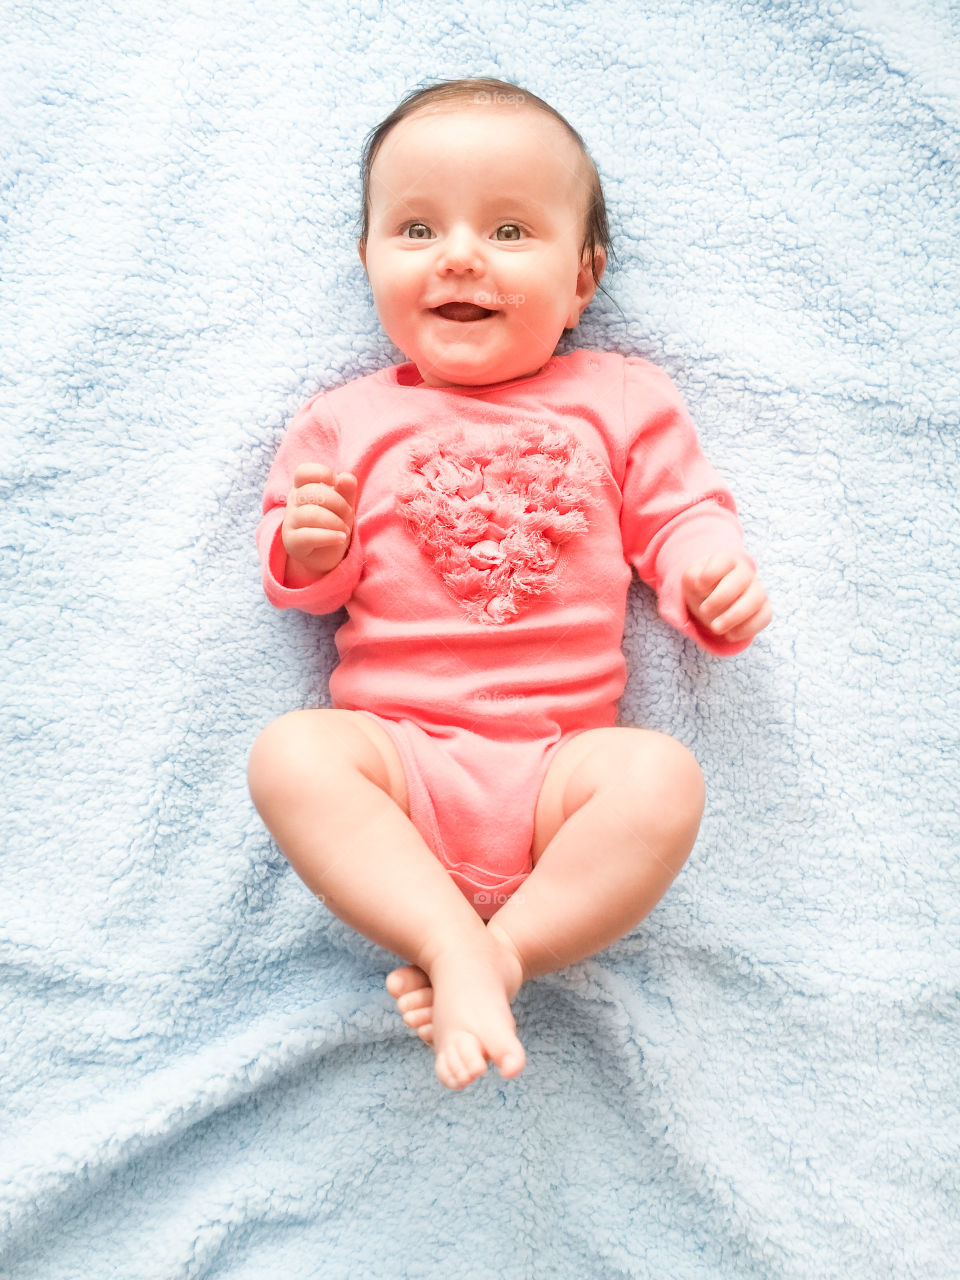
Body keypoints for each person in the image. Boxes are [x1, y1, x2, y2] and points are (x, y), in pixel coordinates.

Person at [247, 77, 772, 1092]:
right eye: (415, 228)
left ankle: (500, 948)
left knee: (663, 778)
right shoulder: (342, 421)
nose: (459, 255)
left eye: (509, 229)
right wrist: (309, 553)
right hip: (399, 764)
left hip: (556, 773)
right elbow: (301, 578)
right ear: (366, 263)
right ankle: (450, 936)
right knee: (290, 753)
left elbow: (681, 514)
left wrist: (708, 575)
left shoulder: (620, 399)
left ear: (584, 279)